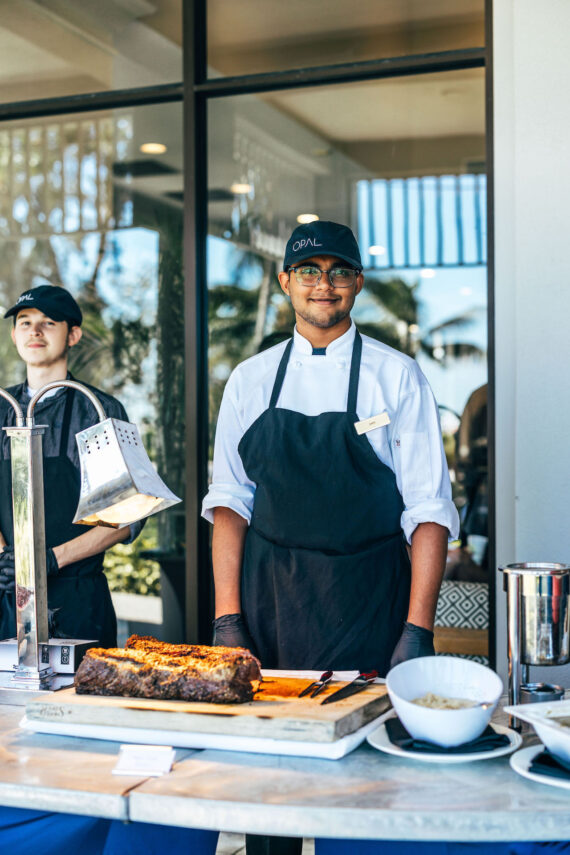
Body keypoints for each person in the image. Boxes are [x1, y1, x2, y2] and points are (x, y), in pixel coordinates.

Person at [0, 283, 143, 646]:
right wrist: (6, 559)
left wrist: (50, 560)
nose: (34, 331)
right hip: (5, 600)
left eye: (48, 322)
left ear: (73, 334)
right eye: (24, 322)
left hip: (78, 603)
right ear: (14, 335)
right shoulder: (1, 408)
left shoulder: (98, 411)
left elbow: (127, 518)